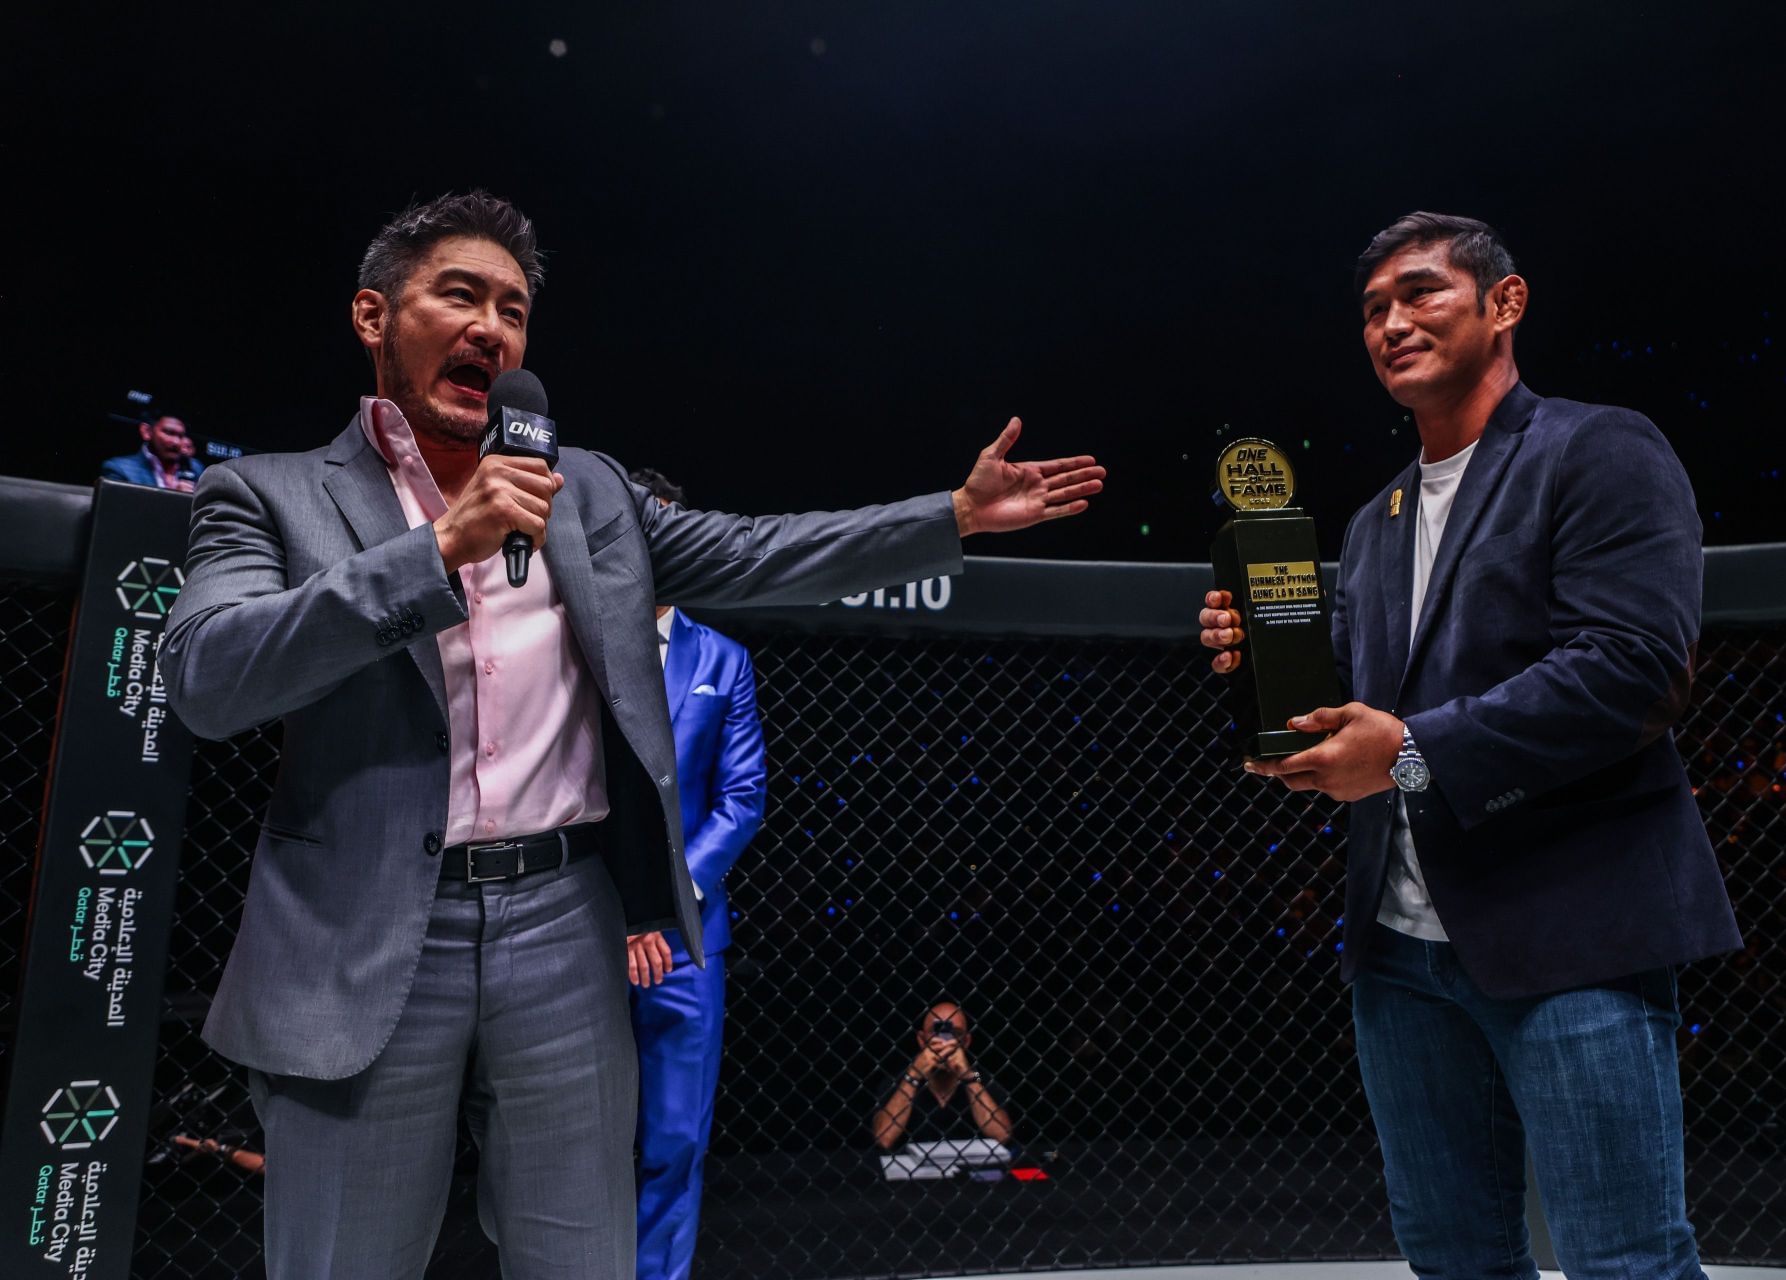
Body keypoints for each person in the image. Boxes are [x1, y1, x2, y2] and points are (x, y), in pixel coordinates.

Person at [160, 190, 1102, 1280]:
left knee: (586, 1258)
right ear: (374, 317)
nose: (491, 328)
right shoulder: (265, 494)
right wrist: (437, 553)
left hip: (565, 921)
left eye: (512, 309)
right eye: (458, 294)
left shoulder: (589, 489)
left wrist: (951, 515)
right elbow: (208, 678)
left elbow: (758, 553)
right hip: (363, 934)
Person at [1199, 212, 1741, 1279]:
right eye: (1371, 311)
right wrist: (1263, 669)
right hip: (1401, 955)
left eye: (1419, 293)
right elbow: (1358, 702)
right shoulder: (1372, 522)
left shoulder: (1600, 447)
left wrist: (1404, 751)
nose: (1391, 322)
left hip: (1572, 934)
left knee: (1623, 1260)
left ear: (1505, 303)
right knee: (1453, 1262)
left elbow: (1632, 669)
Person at [624, 466, 764, 1280]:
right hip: (582, 917)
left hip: (685, 935)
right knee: (568, 1137)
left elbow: (742, 799)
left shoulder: (724, 659)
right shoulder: (574, 639)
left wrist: (667, 897)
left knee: (676, 1136)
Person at [871, 1002, 1013, 1152]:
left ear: (966, 1041)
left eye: (955, 1033)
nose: (945, 1042)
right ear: (921, 1039)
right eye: (937, 1032)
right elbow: (884, 1138)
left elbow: (1002, 1135)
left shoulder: (978, 1076)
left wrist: (968, 1077)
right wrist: (913, 1075)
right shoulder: (901, 1079)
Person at [102, 410, 205, 491]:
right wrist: (174, 498)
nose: (176, 442)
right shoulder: (120, 469)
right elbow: (119, 512)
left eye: (181, 436)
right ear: (146, 431)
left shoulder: (195, 468)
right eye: (169, 433)